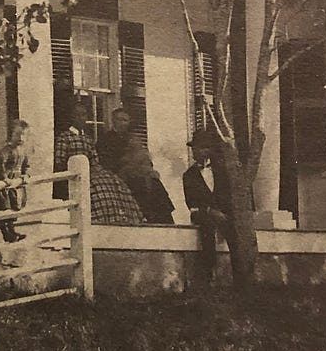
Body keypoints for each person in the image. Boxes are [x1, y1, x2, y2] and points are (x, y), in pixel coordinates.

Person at [99, 105, 174, 224]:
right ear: (113, 121)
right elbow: (106, 162)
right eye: (119, 119)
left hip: (139, 174)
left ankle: (163, 220)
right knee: (138, 185)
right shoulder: (106, 139)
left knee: (155, 184)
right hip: (119, 177)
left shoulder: (134, 138)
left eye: (125, 120)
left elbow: (146, 159)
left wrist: (145, 169)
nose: (122, 123)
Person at [183, 129, 233, 283]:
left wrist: (222, 213)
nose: (196, 152)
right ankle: (208, 272)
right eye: (194, 149)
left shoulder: (222, 171)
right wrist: (211, 211)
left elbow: (227, 196)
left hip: (222, 213)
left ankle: (239, 271)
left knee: (233, 226)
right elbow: (191, 203)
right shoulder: (189, 175)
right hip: (202, 213)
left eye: (202, 148)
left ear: (210, 150)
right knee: (207, 224)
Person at [0, 120, 30, 244]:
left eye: (23, 135)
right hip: (4, 183)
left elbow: (26, 165)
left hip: (15, 183)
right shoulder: (7, 150)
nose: (20, 138)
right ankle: (6, 233)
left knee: (12, 208)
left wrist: (25, 175)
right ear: (11, 135)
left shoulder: (23, 151)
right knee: (3, 208)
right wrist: (4, 177)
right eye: (17, 134)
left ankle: (12, 231)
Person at [52, 93, 99, 202]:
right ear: (72, 117)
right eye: (78, 115)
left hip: (88, 180)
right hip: (71, 180)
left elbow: (95, 161)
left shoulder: (88, 139)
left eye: (84, 115)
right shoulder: (64, 137)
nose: (82, 118)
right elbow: (59, 163)